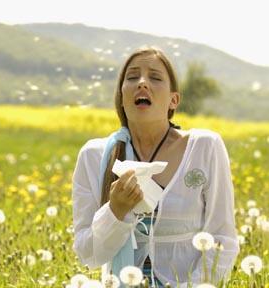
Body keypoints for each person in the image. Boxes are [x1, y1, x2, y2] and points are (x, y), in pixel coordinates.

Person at [72, 46, 239, 287]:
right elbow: (89, 254)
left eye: (155, 77)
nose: (142, 83)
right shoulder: (94, 156)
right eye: (132, 77)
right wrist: (115, 211)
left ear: (174, 100)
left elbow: (222, 239)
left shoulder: (205, 147)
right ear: (121, 96)